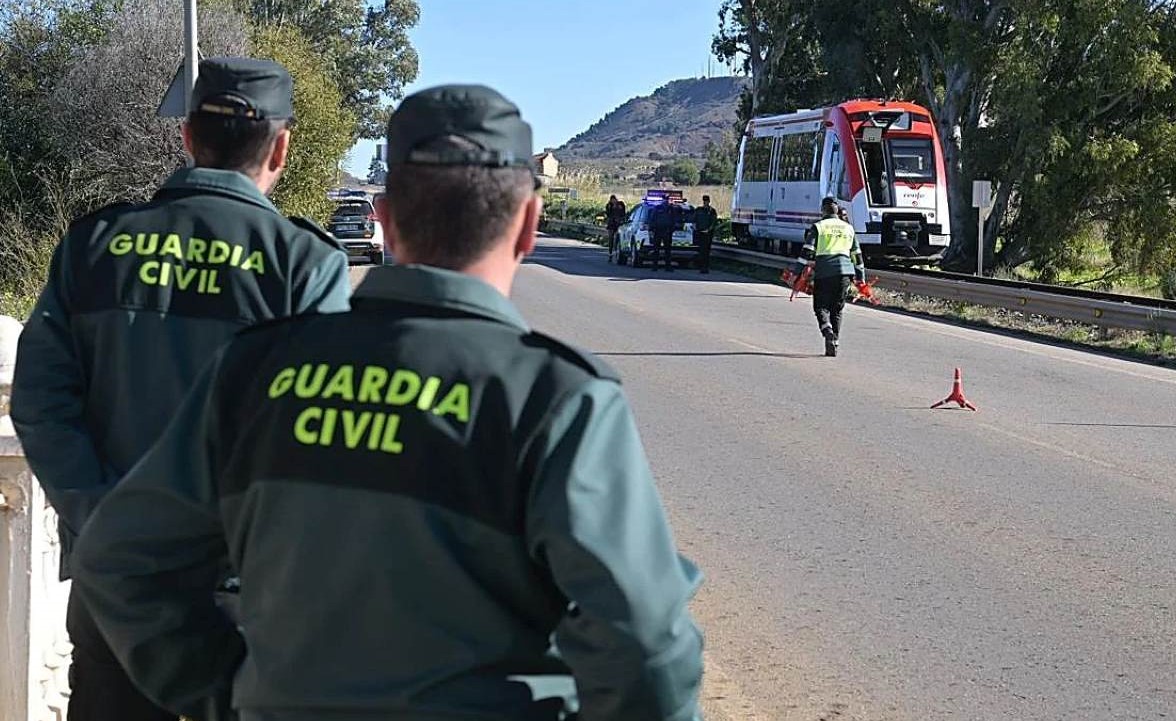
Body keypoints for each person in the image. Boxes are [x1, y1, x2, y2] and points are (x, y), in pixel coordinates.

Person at [71, 84, 705, 721]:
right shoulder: (556, 400)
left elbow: (120, 559)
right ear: (529, 226)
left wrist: (225, 691)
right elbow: (646, 648)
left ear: (384, 216)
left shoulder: (255, 370)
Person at [10, 57, 349, 721]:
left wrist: (109, 528)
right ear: (281, 147)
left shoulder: (94, 246)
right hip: (245, 599)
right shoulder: (303, 264)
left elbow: (40, 402)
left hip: (112, 592)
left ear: (187, 137)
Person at [804, 196, 865, 357]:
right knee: (837, 310)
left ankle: (827, 330)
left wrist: (798, 272)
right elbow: (857, 256)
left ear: (822, 210)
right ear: (837, 210)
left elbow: (807, 252)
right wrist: (861, 279)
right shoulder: (848, 228)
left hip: (824, 273)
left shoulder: (818, 227)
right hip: (845, 273)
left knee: (821, 307)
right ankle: (834, 342)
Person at [648, 194, 677, 271]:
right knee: (656, 249)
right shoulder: (657, 208)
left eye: (667, 199)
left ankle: (667, 266)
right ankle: (655, 266)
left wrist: (672, 229)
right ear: (662, 199)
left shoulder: (671, 209)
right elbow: (652, 219)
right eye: (665, 199)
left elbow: (674, 220)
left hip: (667, 231)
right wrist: (652, 229)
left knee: (667, 250)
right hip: (658, 231)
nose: (666, 200)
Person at [692, 195, 718, 274]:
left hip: (708, 234)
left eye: (707, 201)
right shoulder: (699, 210)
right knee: (702, 251)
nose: (706, 202)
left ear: (709, 201)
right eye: (705, 201)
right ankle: (701, 266)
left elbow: (713, 222)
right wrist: (695, 228)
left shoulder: (712, 211)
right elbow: (694, 220)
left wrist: (708, 230)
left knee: (706, 251)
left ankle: (705, 267)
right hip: (700, 233)